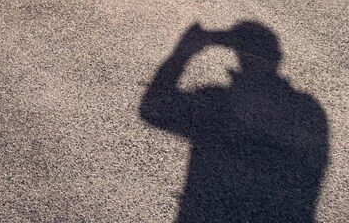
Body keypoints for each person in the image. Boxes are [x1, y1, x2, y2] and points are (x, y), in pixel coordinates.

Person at [140, 22, 328, 223]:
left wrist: (184, 51)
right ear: (277, 57)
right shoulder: (309, 109)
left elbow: (152, 108)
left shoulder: (218, 102)